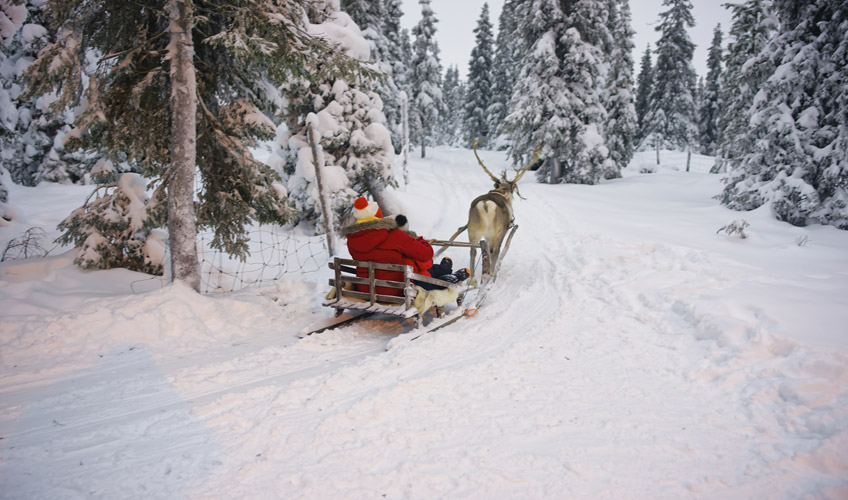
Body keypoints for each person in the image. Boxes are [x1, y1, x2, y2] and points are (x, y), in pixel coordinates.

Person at [341, 197, 469, 297]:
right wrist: (418, 239)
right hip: (396, 289)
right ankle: (447, 276)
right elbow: (425, 253)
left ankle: (442, 269)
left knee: (419, 268)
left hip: (367, 288)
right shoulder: (392, 235)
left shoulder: (352, 239)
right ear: (379, 216)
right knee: (420, 271)